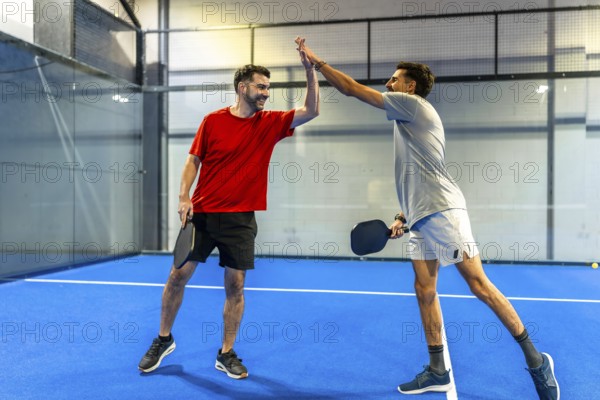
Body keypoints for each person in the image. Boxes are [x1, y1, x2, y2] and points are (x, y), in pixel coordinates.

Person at [295, 37, 558, 399]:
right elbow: (418, 172)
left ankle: (536, 361)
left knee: (479, 285)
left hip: (444, 211)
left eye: (394, 79)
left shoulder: (412, 105)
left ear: (410, 86)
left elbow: (353, 90)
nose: (388, 84)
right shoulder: (406, 119)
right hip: (421, 215)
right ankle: (437, 370)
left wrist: (316, 64)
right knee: (424, 290)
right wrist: (404, 215)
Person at [138, 45, 319, 379]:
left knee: (235, 286)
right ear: (242, 88)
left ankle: (226, 352)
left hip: (240, 219)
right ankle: (163, 340)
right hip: (203, 216)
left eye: (268, 87)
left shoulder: (270, 123)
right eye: (261, 86)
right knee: (177, 276)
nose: (267, 92)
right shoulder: (213, 121)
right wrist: (184, 196)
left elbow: (311, 110)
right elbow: (193, 159)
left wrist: (311, 70)